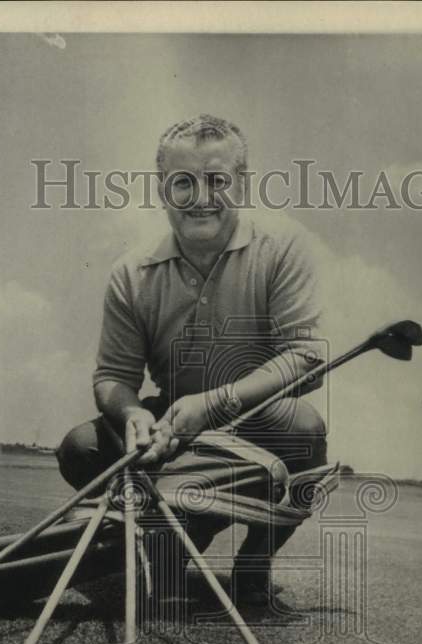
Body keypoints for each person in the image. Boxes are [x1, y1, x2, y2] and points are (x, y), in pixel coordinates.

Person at [57, 114, 327, 607]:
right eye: (183, 182)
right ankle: (171, 538)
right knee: (81, 447)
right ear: (162, 190)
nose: (200, 196)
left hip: (256, 425)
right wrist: (132, 413)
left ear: (241, 185)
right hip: (172, 426)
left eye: (217, 180)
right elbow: (114, 376)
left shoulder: (284, 245)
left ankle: (254, 559)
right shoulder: (130, 272)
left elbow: (305, 356)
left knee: (305, 430)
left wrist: (217, 403)